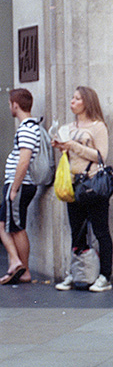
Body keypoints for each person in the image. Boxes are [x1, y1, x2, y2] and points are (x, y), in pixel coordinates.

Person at [54, 86, 113, 292]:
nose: (73, 101)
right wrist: (63, 147)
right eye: (72, 98)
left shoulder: (98, 127)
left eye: (77, 98)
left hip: (93, 182)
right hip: (73, 183)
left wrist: (74, 146)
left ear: (87, 102)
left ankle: (105, 275)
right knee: (76, 230)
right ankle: (77, 271)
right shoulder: (67, 127)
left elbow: (101, 156)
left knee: (100, 230)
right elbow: (70, 155)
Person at [1, 88, 42, 284]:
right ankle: (15, 261)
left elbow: (24, 161)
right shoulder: (30, 127)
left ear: (15, 105)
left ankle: (21, 267)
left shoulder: (26, 129)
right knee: (5, 225)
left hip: (18, 184)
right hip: (18, 184)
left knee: (17, 228)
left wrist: (14, 189)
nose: (9, 107)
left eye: (10, 104)